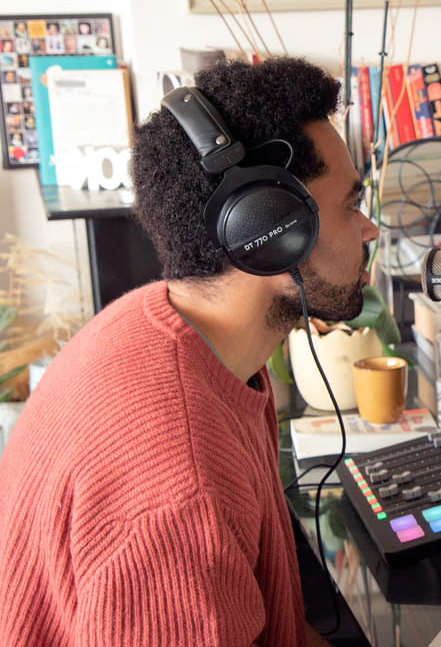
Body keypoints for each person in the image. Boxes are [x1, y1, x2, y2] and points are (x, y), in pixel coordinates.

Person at [0, 57, 377, 645]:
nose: (370, 228)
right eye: (351, 205)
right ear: (272, 231)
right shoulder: (179, 483)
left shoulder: (163, 326)